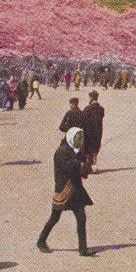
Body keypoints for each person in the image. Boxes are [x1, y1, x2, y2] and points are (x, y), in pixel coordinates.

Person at [37, 127, 96, 256]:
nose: (80, 141)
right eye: (77, 139)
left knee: (81, 217)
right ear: (71, 138)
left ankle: (83, 249)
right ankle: (41, 241)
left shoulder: (77, 152)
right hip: (64, 190)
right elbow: (68, 167)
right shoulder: (62, 151)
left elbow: (82, 168)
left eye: (81, 139)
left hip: (75, 190)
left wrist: (85, 163)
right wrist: (81, 165)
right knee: (55, 217)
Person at [81, 91, 105, 170]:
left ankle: (88, 166)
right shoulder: (101, 109)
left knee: (87, 149)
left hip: (88, 132)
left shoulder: (88, 108)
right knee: (95, 149)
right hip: (98, 132)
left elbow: (82, 119)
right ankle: (94, 165)